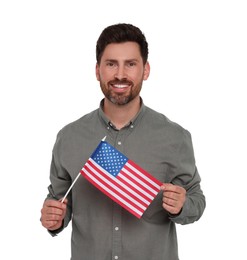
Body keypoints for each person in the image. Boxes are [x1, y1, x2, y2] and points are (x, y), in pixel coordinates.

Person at [40, 23, 206, 260]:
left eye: (130, 64)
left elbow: (196, 200)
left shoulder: (175, 137)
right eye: (111, 64)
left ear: (145, 70)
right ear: (97, 70)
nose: (120, 74)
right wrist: (53, 218)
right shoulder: (69, 137)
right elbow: (58, 199)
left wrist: (182, 205)